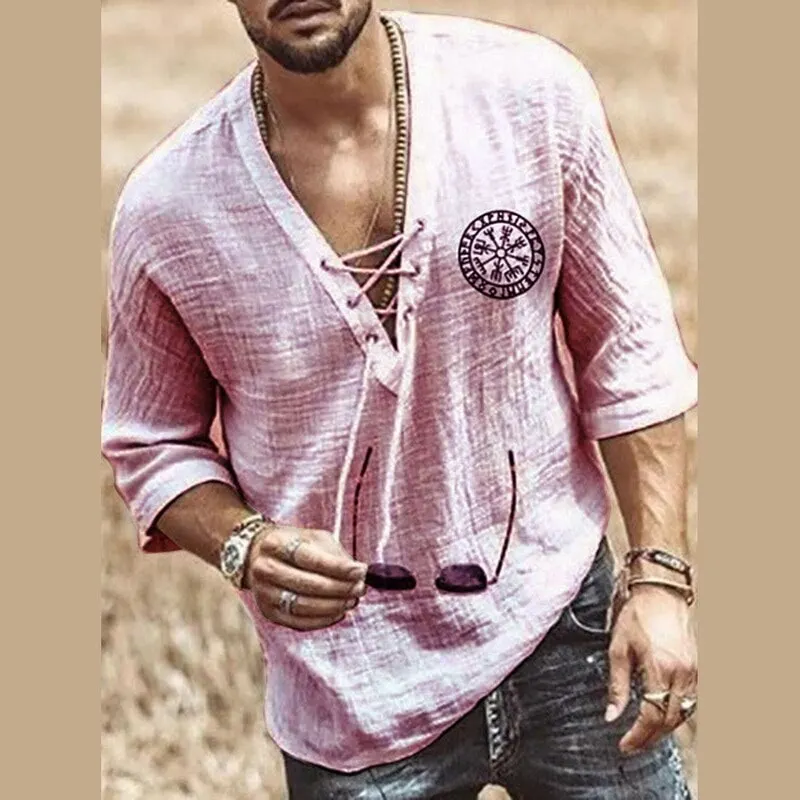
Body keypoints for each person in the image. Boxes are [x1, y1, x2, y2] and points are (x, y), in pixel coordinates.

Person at [101, 1, 699, 797]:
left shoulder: (530, 98)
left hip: (566, 628)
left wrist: (659, 580)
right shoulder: (168, 207)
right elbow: (152, 443)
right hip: (352, 686)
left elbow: (628, 347)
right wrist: (243, 542)